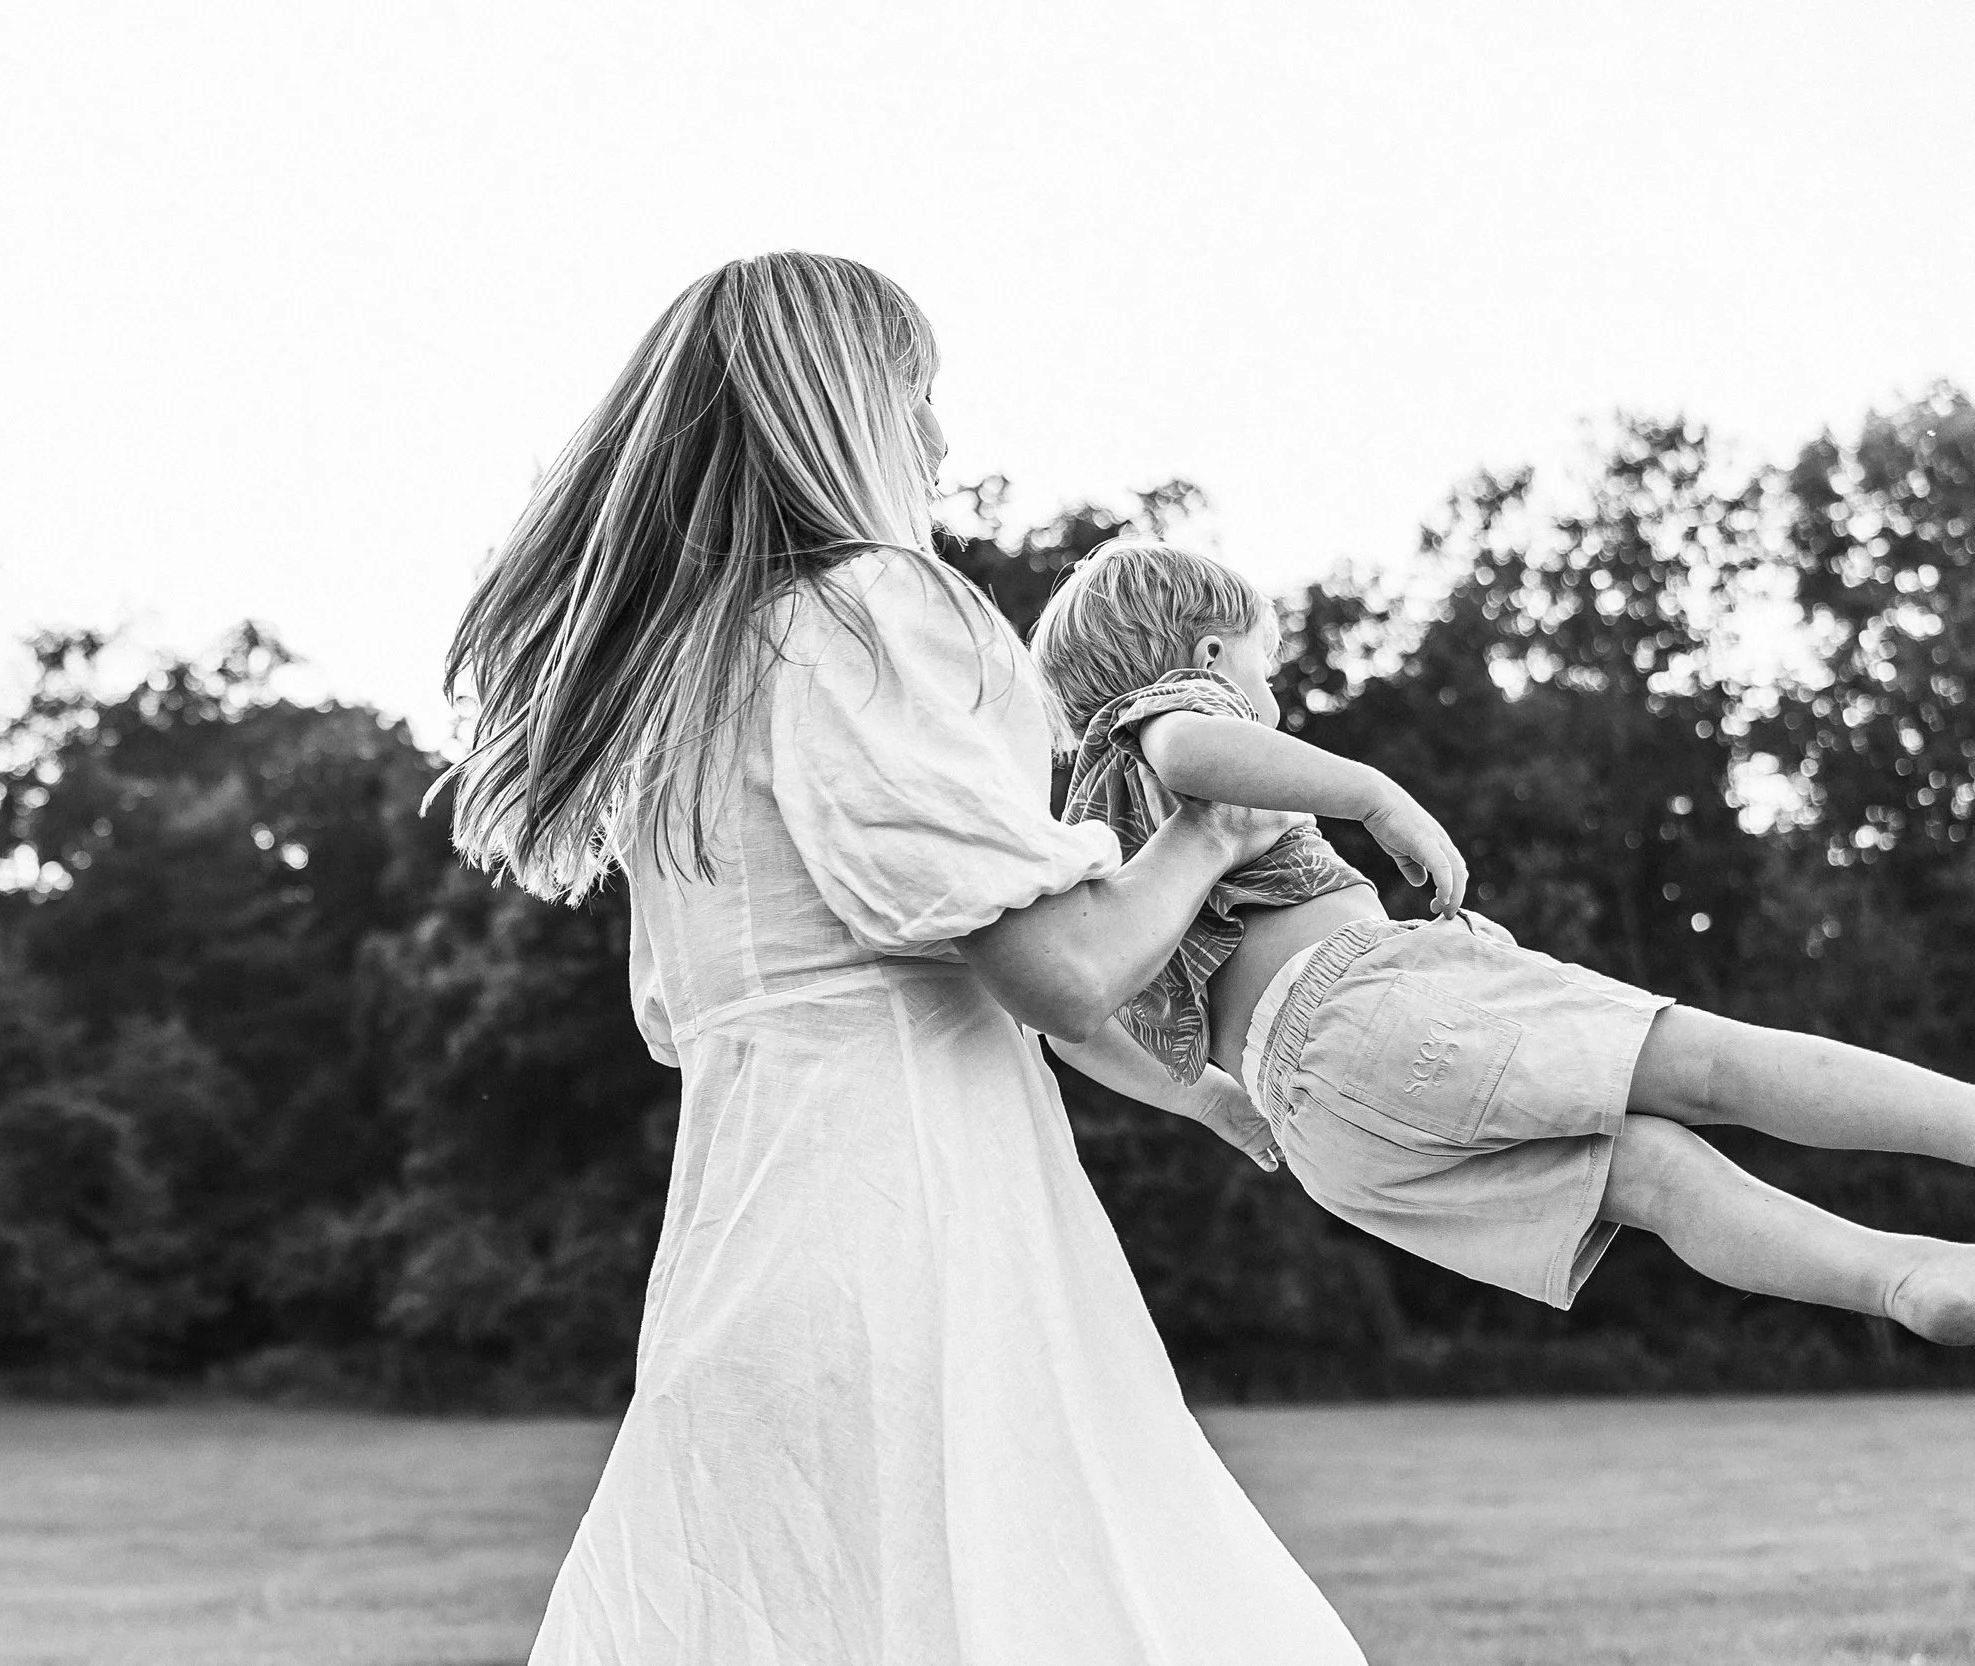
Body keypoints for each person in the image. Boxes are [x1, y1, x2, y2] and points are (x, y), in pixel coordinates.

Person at [435, 255, 1367, 1663]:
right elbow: (1053, 968)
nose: (938, 440)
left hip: (747, 1260)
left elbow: (954, 964)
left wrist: (1197, 1097)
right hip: (924, 1253)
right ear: (847, 410)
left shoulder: (687, 688)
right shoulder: (878, 613)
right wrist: (1205, 837)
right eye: (918, 399)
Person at [1030, 537, 1975, 1342]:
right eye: (1265, 666)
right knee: (1712, 1063)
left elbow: (1068, 1017)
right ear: (1211, 654)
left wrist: (1203, 1101)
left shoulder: (1084, 840)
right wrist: (1377, 797)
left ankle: (1910, 1278)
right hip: (1363, 998)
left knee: (1661, 1177)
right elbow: (1189, 749)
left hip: (1321, 1133)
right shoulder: (1172, 721)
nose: (1267, 698)